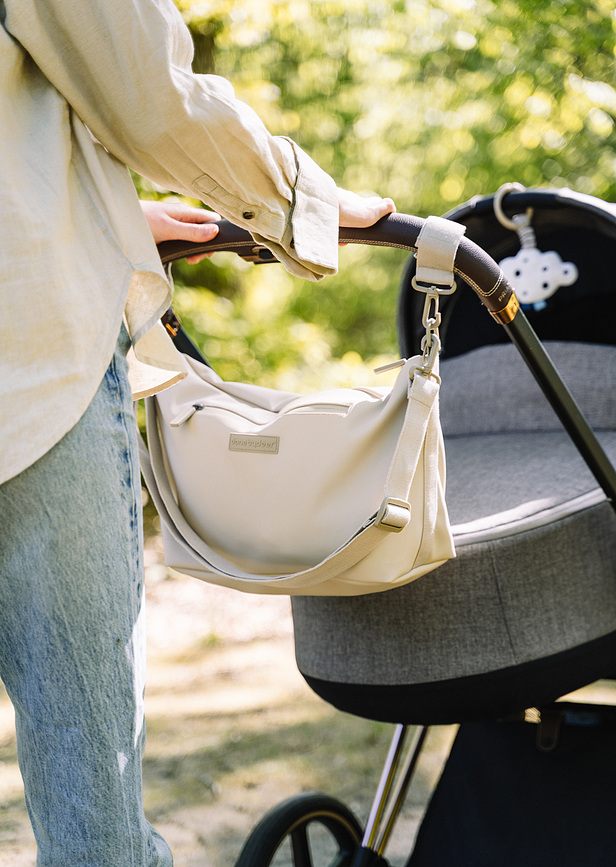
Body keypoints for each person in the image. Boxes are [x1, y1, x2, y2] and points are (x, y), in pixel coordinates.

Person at [0, 0, 395, 864]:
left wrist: (86, 212)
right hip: (24, 371)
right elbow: (150, 92)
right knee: (91, 811)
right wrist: (303, 200)